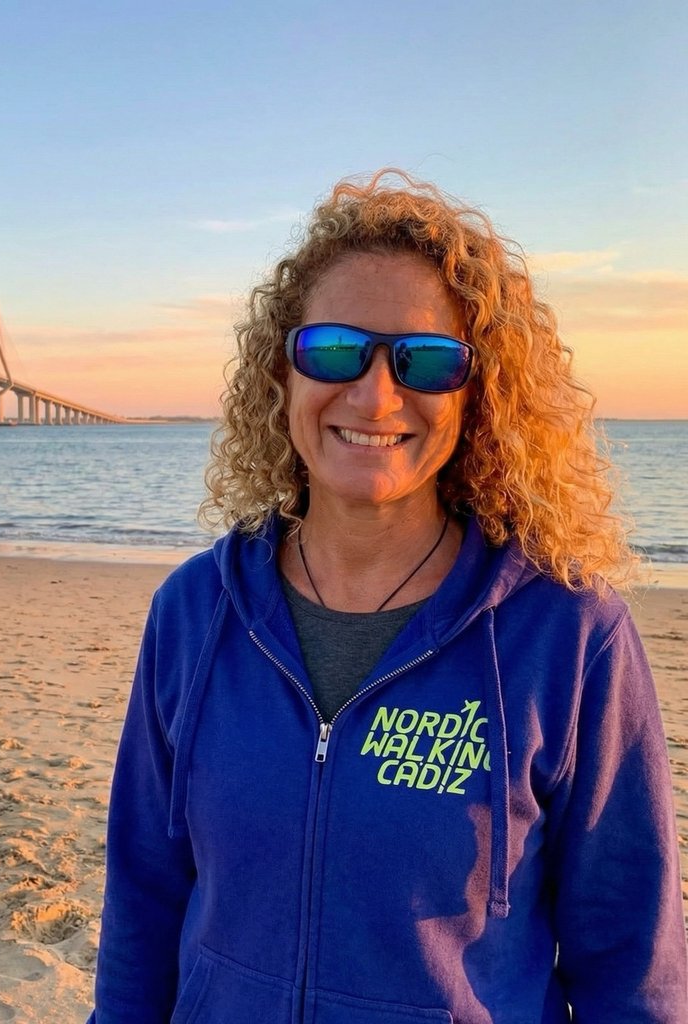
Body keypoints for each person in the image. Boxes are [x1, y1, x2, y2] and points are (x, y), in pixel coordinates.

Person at [88, 171, 687, 1022]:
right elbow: (143, 906)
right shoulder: (193, 612)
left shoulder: (572, 637)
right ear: (282, 371)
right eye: (335, 350)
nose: (375, 396)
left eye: (426, 361)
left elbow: (633, 967)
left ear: (478, 396)